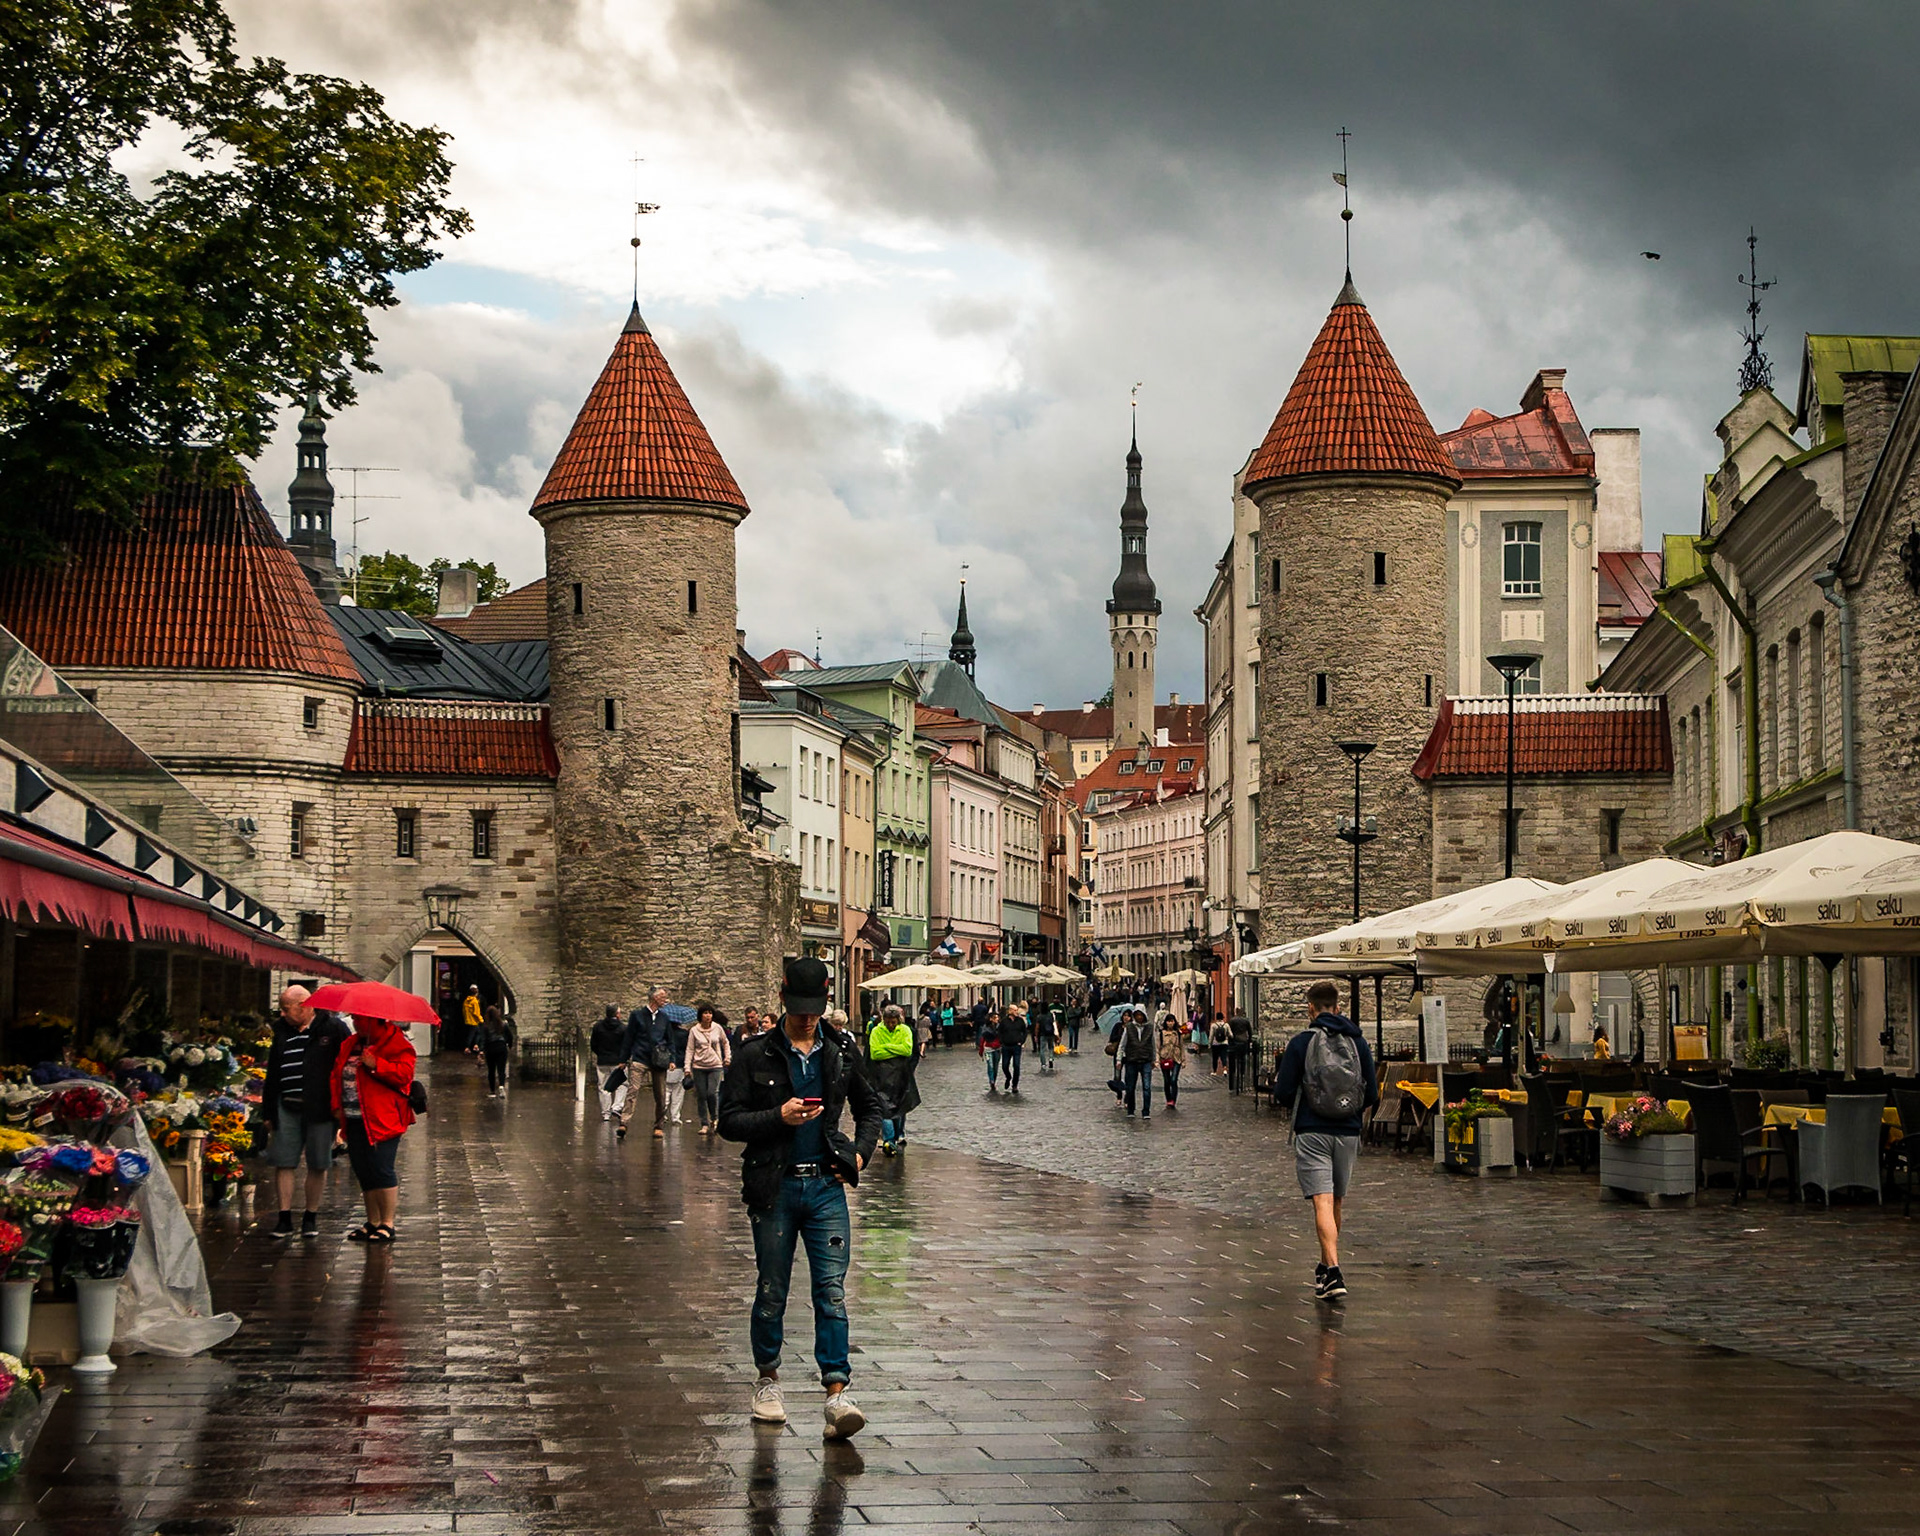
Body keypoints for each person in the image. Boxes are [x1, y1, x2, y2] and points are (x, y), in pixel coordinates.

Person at [718, 957, 881, 1439]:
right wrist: (778, 1116)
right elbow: (729, 1121)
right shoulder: (753, 1054)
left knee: (831, 1291)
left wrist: (861, 1156)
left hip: (827, 1186)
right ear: (784, 1000)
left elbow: (871, 1106)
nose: (808, 1018)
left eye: (816, 1009)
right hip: (776, 1185)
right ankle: (767, 1380)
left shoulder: (841, 1051)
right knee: (772, 1289)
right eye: (800, 1008)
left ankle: (836, 1392)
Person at [1273, 979, 1378, 1301]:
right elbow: (1371, 1093)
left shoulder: (1301, 1042)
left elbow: (1282, 1093)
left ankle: (1333, 1270)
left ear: (1311, 1007)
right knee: (1337, 1202)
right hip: (1347, 1131)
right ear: (1338, 1006)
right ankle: (1324, 1266)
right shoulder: (1358, 1043)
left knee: (1322, 1201)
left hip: (1312, 1130)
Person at [262, 984, 350, 1239]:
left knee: (318, 1163)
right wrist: (268, 1111)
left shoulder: (332, 1029)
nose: (282, 1014)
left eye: (285, 1008)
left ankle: (311, 1216)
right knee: (284, 1161)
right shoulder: (281, 1031)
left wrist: (340, 1108)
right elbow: (273, 1073)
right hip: (286, 1104)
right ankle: (284, 1217)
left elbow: (345, 1063)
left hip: (320, 1107)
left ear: (303, 1006)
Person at [331, 1014, 417, 1243]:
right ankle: (373, 1221)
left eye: (361, 1020)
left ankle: (387, 1222)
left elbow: (405, 1074)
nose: (356, 1023)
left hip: (382, 1117)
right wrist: (336, 1106)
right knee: (363, 1169)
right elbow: (336, 1074)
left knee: (381, 1168)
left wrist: (377, 1064)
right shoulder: (351, 1043)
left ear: (375, 1020)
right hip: (354, 1116)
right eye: (356, 1019)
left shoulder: (396, 1043)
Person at [620, 987, 673, 1141]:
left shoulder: (665, 1018)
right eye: (663, 996)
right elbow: (629, 1037)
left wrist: (672, 1059)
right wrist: (623, 1059)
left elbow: (670, 1040)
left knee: (661, 1095)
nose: (665, 999)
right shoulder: (637, 1015)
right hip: (640, 1057)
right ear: (654, 998)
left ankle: (659, 1125)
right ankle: (624, 1122)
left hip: (658, 1060)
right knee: (633, 1090)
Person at [866, 1003, 920, 1154]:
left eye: (893, 1022)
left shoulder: (905, 1030)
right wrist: (896, 1049)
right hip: (881, 1075)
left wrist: (886, 1047)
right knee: (883, 1107)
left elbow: (907, 1050)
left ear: (898, 1020)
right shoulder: (876, 1031)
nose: (890, 1024)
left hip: (901, 1075)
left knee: (900, 1106)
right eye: (887, 1021)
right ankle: (889, 1140)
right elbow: (875, 1053)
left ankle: (896, 1136)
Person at [684, 1004, 732, 1134]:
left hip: (715, 1065)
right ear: (701, 1015)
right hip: (699, 1066)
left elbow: (725, 1042)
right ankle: (704, 1123)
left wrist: (727, 1058)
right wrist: (687, 1068)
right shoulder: (694, 1030)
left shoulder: (718, 1028)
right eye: (705, 1013)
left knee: (712, 1093)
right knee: (701, 1095)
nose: (708, 1016)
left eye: (710, 1013)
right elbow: (690, 1049)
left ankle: (715, 1119)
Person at [590, 1004, 628, 1122]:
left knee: (603, 1087)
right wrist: (624, 1059)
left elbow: (593, 1044)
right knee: (622, 1084)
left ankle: (606, 1113)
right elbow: (626, 1046)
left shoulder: (598, 1027)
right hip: (618, 1061)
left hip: (603, 1061)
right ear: (617, 1014)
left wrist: (600, 1054)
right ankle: (617, 1106)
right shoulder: (623, 1028)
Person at [1117, 1007, 1155, 1118]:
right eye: (1137, 1015)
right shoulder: (1129, 1028)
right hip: (1132, 1060)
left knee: (1147, 1087)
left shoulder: (1149, 1028)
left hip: (1146, 1060)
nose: (1139, 1017)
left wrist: (1154, 1059)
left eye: (1141, 1015)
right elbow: (1122, 1045)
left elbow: (1152, 1045)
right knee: (1130, 1087)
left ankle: (1146, 1111)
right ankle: (1131, 1110)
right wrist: (1119, 1059)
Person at [477, 1003, 516, 1097]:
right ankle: (501, 1086)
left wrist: (481, 1050)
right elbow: (510, 1036)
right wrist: (509, 1045)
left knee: (491, 1070)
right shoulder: (503, 1024)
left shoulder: (485, 1026)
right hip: (501, 1047)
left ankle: (492, 1091)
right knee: (501, 1069)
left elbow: (484, 1039)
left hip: (490, 1048)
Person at [1158, 1011, 1187, 1109]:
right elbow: (1158, 1047)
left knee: (1174, 1080)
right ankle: (1168, 1099)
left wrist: (1183, 1060)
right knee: (1167, 1080)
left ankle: (1173, 1100)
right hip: (1165, 1058)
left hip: (1176, 1058)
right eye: (1168, 1021)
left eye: (1172, 1021)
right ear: (1165, 1022)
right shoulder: (1161, 1034)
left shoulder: (1178, 1033)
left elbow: (1182, 1046)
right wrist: (1157, 1060)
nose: (1170, 1023)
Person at [998, 1002, 1027, 1094]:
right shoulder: (1004, 1021)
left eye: (1017, 1010)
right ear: (1010, 1011)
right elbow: (999, 1032)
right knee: (1005, 1065)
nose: (1016, 1012)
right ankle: (1008, 1077)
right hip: (1006, 1046)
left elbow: (1025, 1032)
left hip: (1016, 1046)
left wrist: (1021, 1041)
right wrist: (1002, 1042)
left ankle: (1015, 1085)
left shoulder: (1020, 1021)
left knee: (1016, 1066)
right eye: (1014, 1010)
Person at [1227, 1014, 1253, 1095]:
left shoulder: (1232, 1020)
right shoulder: (1246, 1021)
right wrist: (1249, 1041)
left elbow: (1229, 1032)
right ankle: (1242, 1074)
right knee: (1242, 1059)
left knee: (1232, 1062)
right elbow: (1250, 1032)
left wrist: (1230, 1040)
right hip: (1243, 1041)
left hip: (1234, 1042)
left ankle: (1232, 1081)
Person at [1032, 1002, 1059, 1074]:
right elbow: (1054, 1024)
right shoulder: (1050, 1015)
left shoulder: (1039, 1016)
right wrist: (1056, 1034)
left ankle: (1043, 1064)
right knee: (1051, 1047)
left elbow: (1037, 1027)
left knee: (1042, 1049)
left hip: (1042, 1034)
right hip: (1050, 1033)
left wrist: (1036, 1035)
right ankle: (1050, 1058)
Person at [980, 1007, 1002, 1091]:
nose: (997, 1019)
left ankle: (994, 1080)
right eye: (995, 1018)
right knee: (990, 1065)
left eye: (997, 1018)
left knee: (996, 1066)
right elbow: (983, 1039)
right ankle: (991, 1081)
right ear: (991, 1019)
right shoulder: (985, 1028)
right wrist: (981, 1050)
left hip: (997, 1048)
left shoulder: (1000, 1027)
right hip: (988, 1048)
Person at [460, 984, 483, 1052]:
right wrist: (481, 1020)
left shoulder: (466, 1001)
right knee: (476, 1034)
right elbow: (476, 1012)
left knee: (473, 1033)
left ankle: (474, 1045)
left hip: (467, 1020)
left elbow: (464, 1011)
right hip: (474, 1021)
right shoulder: (474, 1001)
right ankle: (469, 1047)